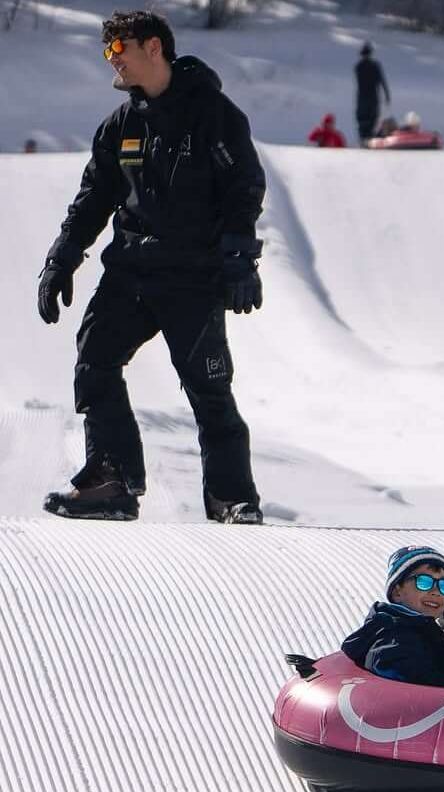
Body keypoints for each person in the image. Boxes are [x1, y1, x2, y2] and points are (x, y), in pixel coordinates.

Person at [37, 10, 266, 524]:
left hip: (193, 277)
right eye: (106, 52)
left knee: (209, 390)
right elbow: (94, 196)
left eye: (117, 50)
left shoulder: (215, 115)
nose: (109, 61)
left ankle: (232, 499)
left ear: (154, 48)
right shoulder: (122, 125)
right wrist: (62, 258)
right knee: (95, 362)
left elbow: (243, 189)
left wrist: (239, 260)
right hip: (131, 274)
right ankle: (112, 481)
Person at [341, 546, 444, 688]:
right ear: (397, 592)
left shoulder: (424, 631)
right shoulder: (393, 641)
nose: (436, 591)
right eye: (424, 582)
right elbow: (430, 695)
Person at [354, 40, 390, 142]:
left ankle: (363, 140)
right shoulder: (375, 66)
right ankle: (369, 139)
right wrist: (387, 94)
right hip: (373, 98)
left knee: (362, 121)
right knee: (372, 120)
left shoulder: (358, 66)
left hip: (361, 98)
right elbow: (382, 81)